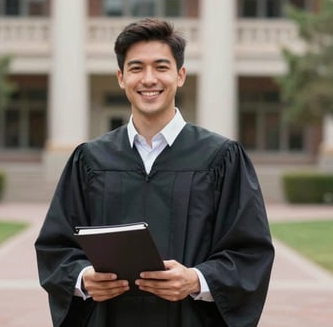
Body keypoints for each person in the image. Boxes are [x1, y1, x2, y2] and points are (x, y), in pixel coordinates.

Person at [35, 18, 274, 327]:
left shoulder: (221, 157)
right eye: (136, 68)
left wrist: (196, 279)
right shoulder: (90, 159)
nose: (148, 79)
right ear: (121, 78)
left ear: (181, 75)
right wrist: (82, 278)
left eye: (161, 67)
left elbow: (250, 251)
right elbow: (56, 246)